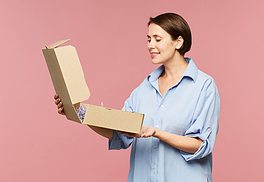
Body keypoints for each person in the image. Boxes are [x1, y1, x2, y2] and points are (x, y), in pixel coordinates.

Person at [54, 12, 220, 182]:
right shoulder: (144, 89)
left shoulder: (203, 86)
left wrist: (157, 133)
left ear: (178, 41)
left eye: (157, 39)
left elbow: (201, 145)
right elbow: (119, 134)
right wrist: (78, 111)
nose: (150, 45)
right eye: (148, 39)